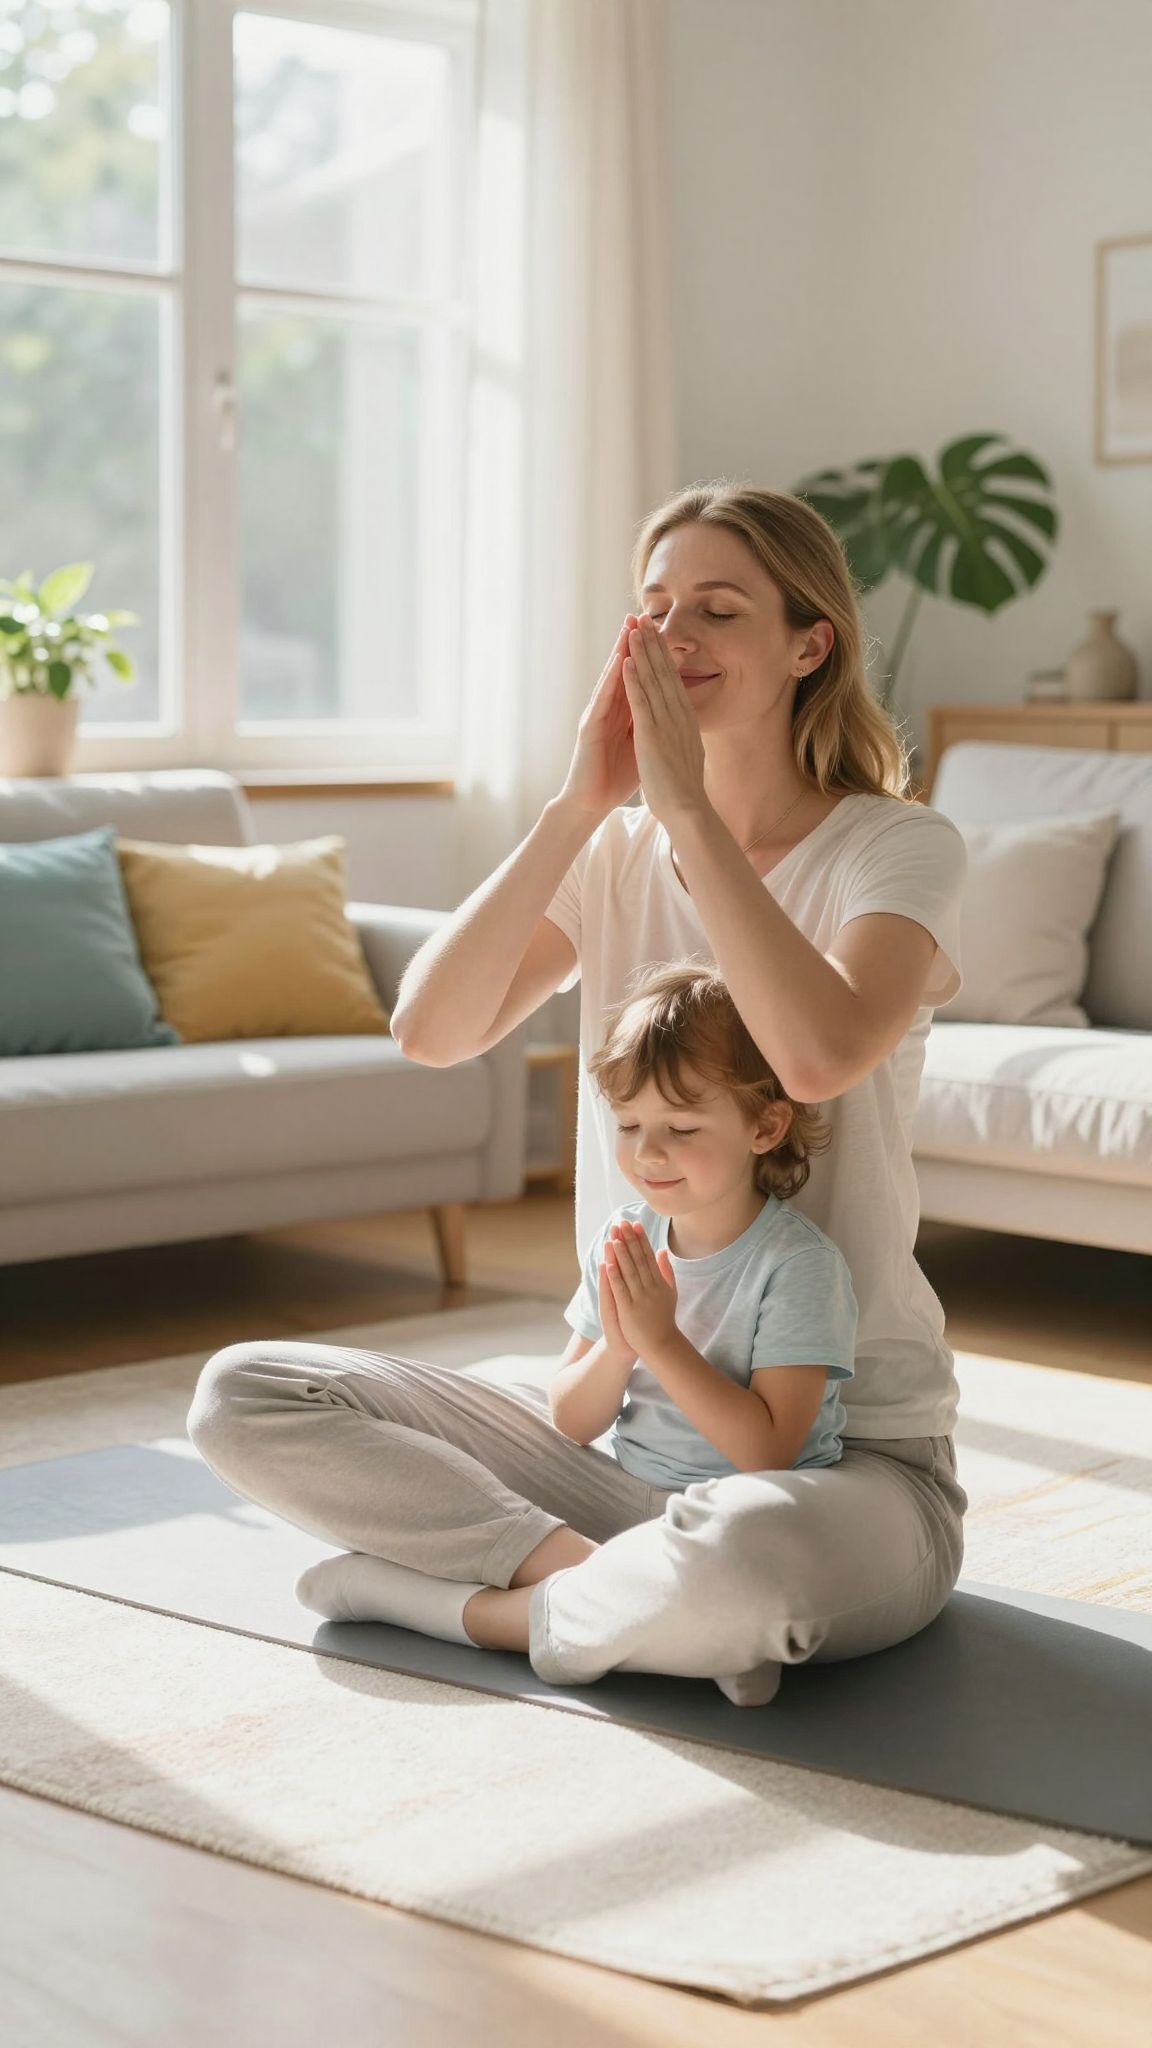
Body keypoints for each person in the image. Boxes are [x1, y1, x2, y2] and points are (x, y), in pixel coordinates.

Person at [187, 480, 969, 1708]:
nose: (676, 639)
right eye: (654, 609)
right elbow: (431, 1029)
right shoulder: (611, 849)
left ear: (808, 644)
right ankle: (599, 1588)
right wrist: (575, 806)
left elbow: (815, 1058)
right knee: (246, 1393)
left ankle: (470, 1604)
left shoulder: (896, 848)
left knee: (750, 1563)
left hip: (839, 1463)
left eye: (718, 609)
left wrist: (686, 813)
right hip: (609, 1439)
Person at [550, 961, 857, 1496]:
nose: (647, 1152)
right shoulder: (624, 1239)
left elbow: (768, 1453)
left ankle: (570, 1572)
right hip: (628, 1490)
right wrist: (620, 1348)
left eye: (682, 1128)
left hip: (749, 1505)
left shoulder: (797, 1263)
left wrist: (661, 1341)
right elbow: (572, 1422)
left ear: (765, 1127)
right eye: (628, 1125)